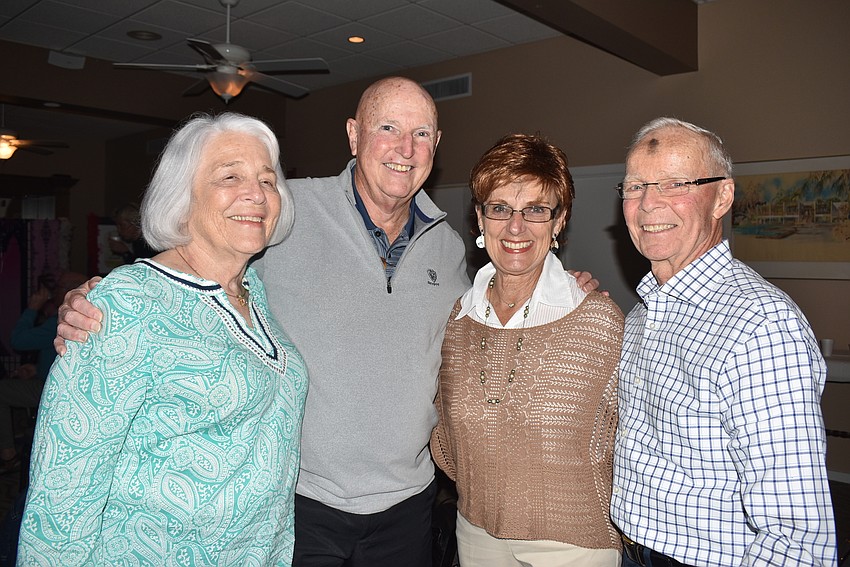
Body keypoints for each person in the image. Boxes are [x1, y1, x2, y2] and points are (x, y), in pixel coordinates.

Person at [53, 77, 599, 566]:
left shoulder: (450, 247)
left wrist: (559, 287)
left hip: (408, 504)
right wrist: (107, 295)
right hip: (298, 501)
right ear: (354, 135)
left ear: (436, 146)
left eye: (421, 134)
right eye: (387, 128)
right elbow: (204, 262)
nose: (405, 149)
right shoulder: (284, 211)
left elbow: (490, 315)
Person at [18, 112, 308, 565]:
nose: (256, 194)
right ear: (182, 197)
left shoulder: (254, 292)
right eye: (230, 176)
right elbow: (64, 489)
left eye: (268, 181)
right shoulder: (128, 302)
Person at [610, 117, 836, 566]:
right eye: (635, 187)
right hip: (630, 550)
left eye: (675, 183)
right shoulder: (643, 312)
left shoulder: (760, 325)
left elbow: (797, 536)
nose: (649, 203)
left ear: (723, 197)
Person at [430, 134, 623, 566]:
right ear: (480, 218)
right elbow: (445, 434)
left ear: (559, 221)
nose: (515, 227)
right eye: (500, 208)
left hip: (573, 542)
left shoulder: (596, 321)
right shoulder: (458, 320)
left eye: (536, 209)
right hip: (476, 531)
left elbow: (627, 438)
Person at [0, 271, 87, 474]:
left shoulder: (62, 319)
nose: (52, 293)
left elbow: (18, 341)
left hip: (55, 390)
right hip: (70, 386)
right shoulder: (83, 315)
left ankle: (8, 454)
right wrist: (35, 368)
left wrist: (32, 308)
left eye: (57, 288)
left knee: (2, 390)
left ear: (69, 291)